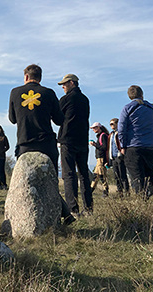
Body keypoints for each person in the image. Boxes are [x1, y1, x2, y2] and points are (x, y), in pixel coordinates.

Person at [8, 64, 74, 224]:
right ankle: (64, 214)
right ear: (40, 78)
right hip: (46, 144)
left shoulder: (15, 93)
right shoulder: (49, 93)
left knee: (26, 181)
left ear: (25, 77)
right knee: (50, 180)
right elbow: (59, 120)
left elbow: (12, 119)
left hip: (25, 144)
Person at [57, 74, 93, 216]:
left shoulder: (66, 99)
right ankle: (88, 208)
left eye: (64, 84)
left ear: (72, 83)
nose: (63, 87)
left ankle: (73, 208)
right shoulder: (85, 99)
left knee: (69, 174)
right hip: (83, 140)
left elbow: (58, 118)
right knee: (84, 174)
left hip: (68, 139)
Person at [118, 85, 153, 197]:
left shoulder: (127, 108)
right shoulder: (151, 108)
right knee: (152, 176)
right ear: (142, 94)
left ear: (129, 96)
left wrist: (123, 146)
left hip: (133, 146)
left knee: (137, 178)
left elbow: (121, 129)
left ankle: (142, 202)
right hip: (150, 146)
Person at [109, 118, 130, 196]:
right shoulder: (111, 134)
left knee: (122, 175)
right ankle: (119, 192)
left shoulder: (120, 133)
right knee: (116, 175)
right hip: (113, 157)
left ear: (117, 124)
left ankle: (126, 192)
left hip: (120, 156)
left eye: (112, 124)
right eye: (110, 124)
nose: (111, 125)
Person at [89, 122, 110, 197]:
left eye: (94, 128)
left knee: (101, 174)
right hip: (99, 159)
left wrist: (95, 145)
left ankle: (105, 190)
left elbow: (104, 148)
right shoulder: (101, 136)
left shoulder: (103, 136)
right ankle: (90, 190)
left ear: (98, 128)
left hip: (101, 158)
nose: (93, 130)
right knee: (96, 175)